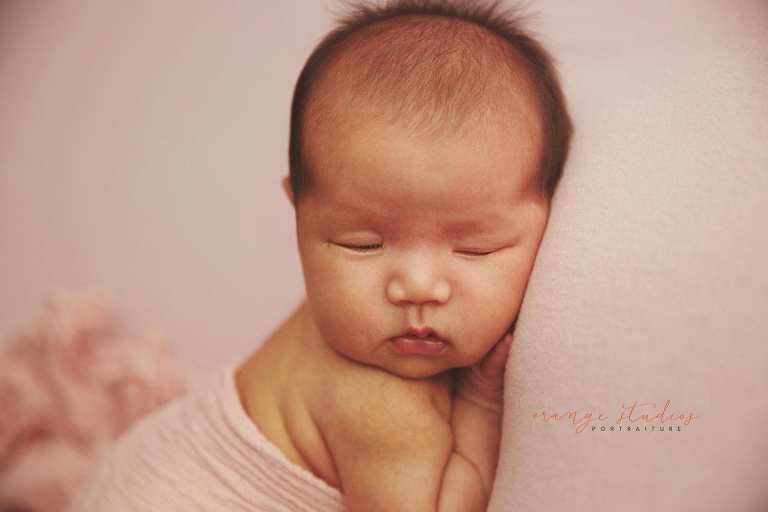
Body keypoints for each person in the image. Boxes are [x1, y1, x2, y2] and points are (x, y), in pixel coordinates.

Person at [70, 0, 572, 510]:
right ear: (299, 213)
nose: (418, 286)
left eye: (474, 248)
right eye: (364, 245)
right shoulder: (385, 411)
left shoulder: (341, 322)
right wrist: (482, 404)